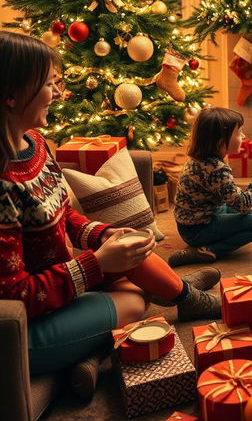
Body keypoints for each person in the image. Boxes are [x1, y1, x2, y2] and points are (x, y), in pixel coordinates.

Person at [0, 31, 221, 399]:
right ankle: (180, 298)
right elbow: (12, 295)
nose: (57, 93)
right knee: (135, 298)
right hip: (24, 329)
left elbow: (64, 212)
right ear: (10, 95)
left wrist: (102, 236)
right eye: (49, 84)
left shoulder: (35, 143)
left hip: (55, 287)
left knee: (130, 248)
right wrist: (95, 264)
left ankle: (177, 296)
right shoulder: (3, 182)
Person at [169, 107, 252, 267]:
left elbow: (232, 198)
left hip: (194, 221)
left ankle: (210, 244)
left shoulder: (199, 159)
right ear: (221, 143)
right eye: (239, 133)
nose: (244, 136)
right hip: (198, 230)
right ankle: (209, 250)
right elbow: (243, 204)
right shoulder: (216, 169)